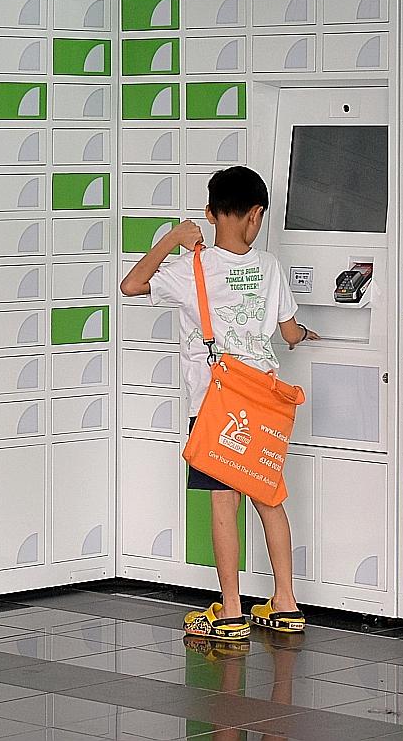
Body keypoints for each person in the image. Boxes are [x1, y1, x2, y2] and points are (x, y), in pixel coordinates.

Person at [120, 165, 317, 642]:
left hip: (213, 405)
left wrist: (170, 239)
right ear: (257, 216)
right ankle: (286, 602)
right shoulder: (269, 267)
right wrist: (304, 335)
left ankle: (230, 610)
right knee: (269, 499)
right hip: (262, 403)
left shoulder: (192, 269)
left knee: (224, 504)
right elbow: (289, 332)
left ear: (209, 214)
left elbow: (131, 285)